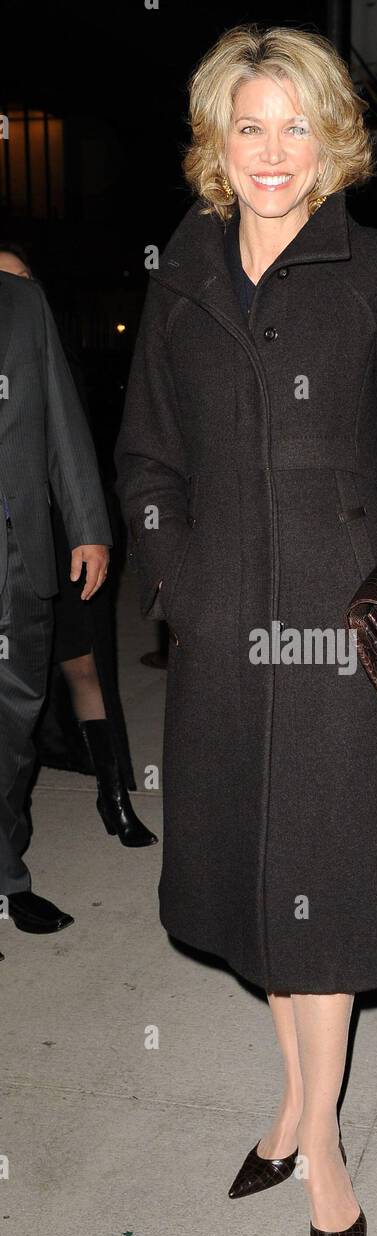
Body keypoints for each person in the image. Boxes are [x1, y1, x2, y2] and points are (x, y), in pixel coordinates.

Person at [115, 23, 377, 1236]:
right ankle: (296, 1101)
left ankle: (322, 1138)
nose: (272, 152)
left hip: (344, 640)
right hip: (225, 643)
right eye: (250, 126)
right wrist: (180, 584)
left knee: (328, 895)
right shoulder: (182, 274)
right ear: (216, 140)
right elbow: (146, 462)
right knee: (259, 884)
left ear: (332, 139)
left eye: (297, 126)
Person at [0, 243, 157, 849]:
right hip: (20, 536)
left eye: (20, 276)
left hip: (60, 535)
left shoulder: (50, 347)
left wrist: (89, 526)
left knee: (83, 663)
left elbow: (74, 442)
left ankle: (113, 796)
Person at [0, 269, 112, 934]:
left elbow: (60, 420)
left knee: (13, 733)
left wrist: (88, 525)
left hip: (16, 560)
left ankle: (6, 878)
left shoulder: (21, 301)